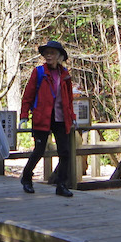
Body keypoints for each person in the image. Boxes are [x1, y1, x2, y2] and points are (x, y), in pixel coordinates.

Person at [19, 40, 76, 197]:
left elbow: (69, 99)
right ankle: (26, 177)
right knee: (39, 150)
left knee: (64, 152)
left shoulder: (65, 75)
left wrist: (72, 117)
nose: (49, 56)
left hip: (60, 117)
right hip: (42, 116)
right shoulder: (38, 72)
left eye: (52, 53)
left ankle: (61, 184)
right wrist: (24, 115)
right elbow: (28, 96)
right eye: (46, 53)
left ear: (59, 56)